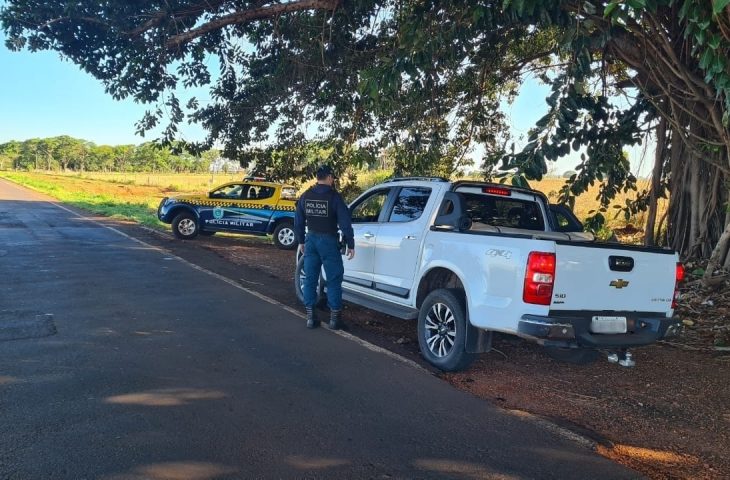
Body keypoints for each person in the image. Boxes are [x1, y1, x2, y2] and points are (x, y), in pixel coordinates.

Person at [294, 165, 355, 330]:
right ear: (328, 178)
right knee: (334, 279)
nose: (333, 180)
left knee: (310, 279)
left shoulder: (306, 196)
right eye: (332, 177)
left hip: (311, 240)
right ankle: (335, 320)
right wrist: (350, 243)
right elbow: (345, 222)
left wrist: (301, 241)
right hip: (328, 241)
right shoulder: (334, 197)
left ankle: (311, 318)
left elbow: (298, 220)